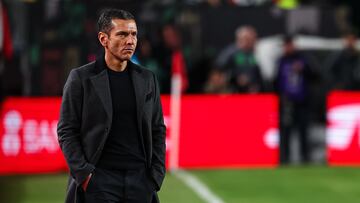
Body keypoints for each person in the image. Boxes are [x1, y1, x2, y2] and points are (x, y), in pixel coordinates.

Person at [57, 9, 166, 203]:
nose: (130, 41)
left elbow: (157, 129)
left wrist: (155, 176)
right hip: (99, 181)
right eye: (122, 34)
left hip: (140, 182)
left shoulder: (148, 79)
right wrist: (85, 176)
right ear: (103, 39)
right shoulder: (81, 78)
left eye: (133, 34)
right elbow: (67, 131)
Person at [275, 35, 312, 165]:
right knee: (286, 131)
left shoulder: (303, 59)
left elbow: (315, 75)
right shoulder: (281, 61)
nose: (287, 48)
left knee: (303, 131)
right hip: (286, 102)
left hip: (301, 102)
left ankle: (305, 158)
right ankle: (284, 158)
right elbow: (277, 81)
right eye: (285, 45)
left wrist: (304, 68)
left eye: (289, 45)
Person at [215, 25, 263, 93]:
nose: (252, 41)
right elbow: (219, 71)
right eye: (249, 39)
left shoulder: (258, 53)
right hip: (235, 92)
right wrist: (235, 78)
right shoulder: (230, 53)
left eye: (253, 38)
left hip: (256, 92)